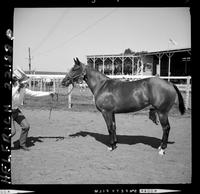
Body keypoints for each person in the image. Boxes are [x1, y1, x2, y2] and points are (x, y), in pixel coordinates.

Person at [12, 68, 56, 151]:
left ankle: (22, 144)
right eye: (24, 82)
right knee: (12, 132)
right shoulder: (13, 88)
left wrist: (49, 93)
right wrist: (17, 86)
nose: (25, 84)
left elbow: (35, 94)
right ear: (17, 82)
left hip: (16, 111)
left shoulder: (23, 90)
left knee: (26, 126)